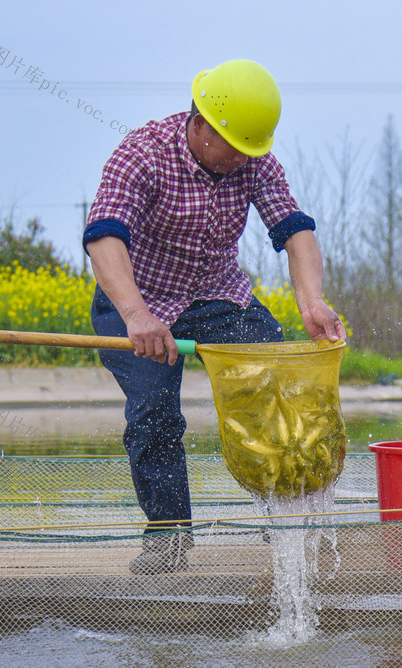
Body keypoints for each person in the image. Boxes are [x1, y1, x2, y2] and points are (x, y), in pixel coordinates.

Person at [83, 59, 346, 574]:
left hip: (217, 296)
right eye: (232, 148)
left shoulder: (254, 160)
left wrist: (311, 301)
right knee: (155, 414)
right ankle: (169, 539)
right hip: (137, 302)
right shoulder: (142, 155)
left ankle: (287, 521)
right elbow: (104, 237)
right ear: (200, 122)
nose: (239, 160)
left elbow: (295, 231)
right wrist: (137, 314)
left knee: (276, 383)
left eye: (249, 151)